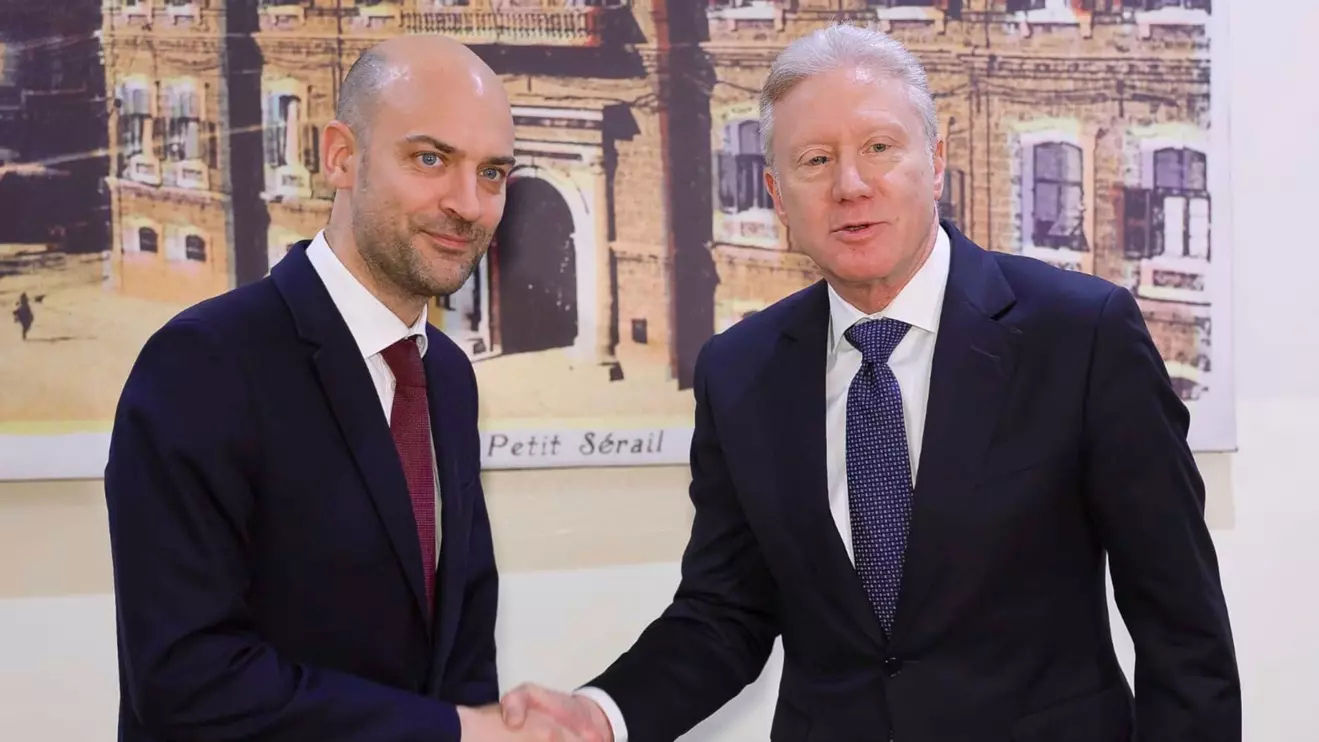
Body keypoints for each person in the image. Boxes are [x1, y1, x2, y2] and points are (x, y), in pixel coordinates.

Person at [499, 23, 1241, 742]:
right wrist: (603, 716)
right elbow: (725, 613)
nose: (849, 185)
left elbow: (1182, 627)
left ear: (935, 160)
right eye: (814, 160)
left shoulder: (1080, 335)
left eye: (879, 148)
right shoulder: (739, 372)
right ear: (777, 192)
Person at [104, 35, 579, 742]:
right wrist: (454, 731)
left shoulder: (447, 376)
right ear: (340, 157)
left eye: (492, 173)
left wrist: (481, 727)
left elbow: (457, 656)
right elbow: (187, 678)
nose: (468, 203)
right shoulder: (203, 363)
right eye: (430, 158)